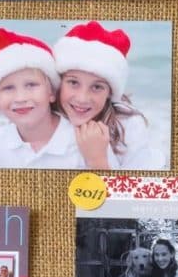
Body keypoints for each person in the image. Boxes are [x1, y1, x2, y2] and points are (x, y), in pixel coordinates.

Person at [51, 21, 164, 169]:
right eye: (73, 83)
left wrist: (97, 160)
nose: (82, 98)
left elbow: (133, 190)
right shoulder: (41, 119)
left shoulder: (129, 126)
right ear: (59, 82)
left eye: (97, 87)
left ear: (110, 91)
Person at [0, 27, 63, 168]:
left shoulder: (82, 140)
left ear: (52, 93)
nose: (20, 98)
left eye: (31, 85)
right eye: (8, 88)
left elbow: (113, 189)